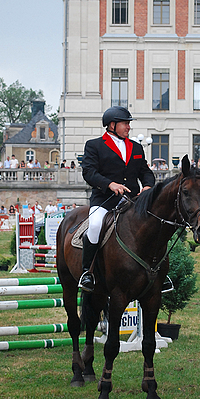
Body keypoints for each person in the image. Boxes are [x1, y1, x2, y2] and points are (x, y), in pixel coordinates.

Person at [79, 105, 155, 292]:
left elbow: (145, 171)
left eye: (129, 124)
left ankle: (159, 271)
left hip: (132, 200)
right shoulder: (94, 145)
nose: (129, 127)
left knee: (154, 225)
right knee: (95, 224)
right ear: (111, 125)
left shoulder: (136, 147)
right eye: (125, 123)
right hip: (105, 199)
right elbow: (89, 172)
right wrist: (110, 184)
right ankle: (87, 271)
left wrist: (147, 186)